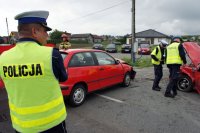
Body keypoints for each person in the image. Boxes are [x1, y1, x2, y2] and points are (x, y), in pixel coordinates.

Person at [0, 10, 68, 133]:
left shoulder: (3, 58)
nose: (47, 35)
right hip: (52, 125)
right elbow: (63, 78)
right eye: (45, 31)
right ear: (34, 31)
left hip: (21, 127)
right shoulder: (52, 54)